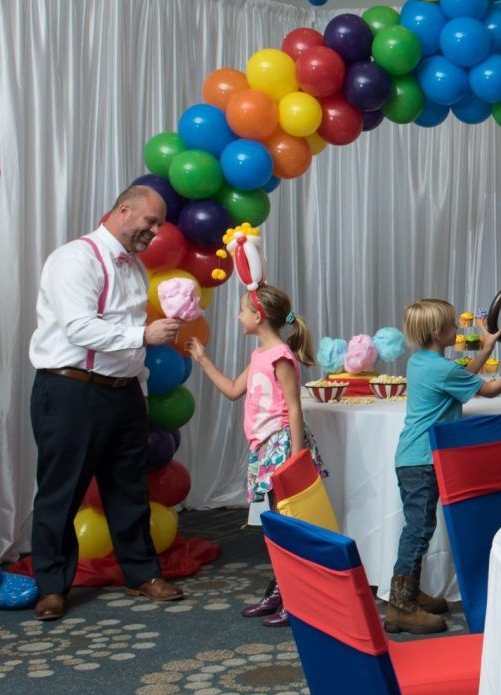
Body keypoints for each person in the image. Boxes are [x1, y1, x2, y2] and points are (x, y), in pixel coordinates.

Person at [26, 184, 186, 622]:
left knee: (129, 490)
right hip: (71, 390)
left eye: (158, 226)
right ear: (122, 210)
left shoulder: (135, 268)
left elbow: (127, 342)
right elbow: (80, 328)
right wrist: (144, 336)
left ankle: (141, 573)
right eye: (148, 222)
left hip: (123, 392)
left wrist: (141, 391)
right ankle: (53, 586)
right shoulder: (73, 259)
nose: (153, 232)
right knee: (62, 492)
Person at [386, 298, 501, 635]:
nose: (456, 329)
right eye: (452, 325)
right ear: (438, 332)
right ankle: (400, 606)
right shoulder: (441, 368)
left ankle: (408, 592)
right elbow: (490, 389)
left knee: (418, 527)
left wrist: (487, 346)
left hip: (411, 457)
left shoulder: (421, 362)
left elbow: (462, 377)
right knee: (418, 530)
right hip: (422, 459)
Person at [187, 282, 319, 627]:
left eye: (243, 310)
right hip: (263, 445)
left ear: (258, 316)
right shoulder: (260, 355)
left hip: (280, 444)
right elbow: (233, 390)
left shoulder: (280, 356)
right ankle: (282, 588)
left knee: (287, 524)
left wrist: (296, 457)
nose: (238, 315)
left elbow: (293, 408)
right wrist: (202, 361)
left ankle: (297, 596)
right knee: (276, 524)